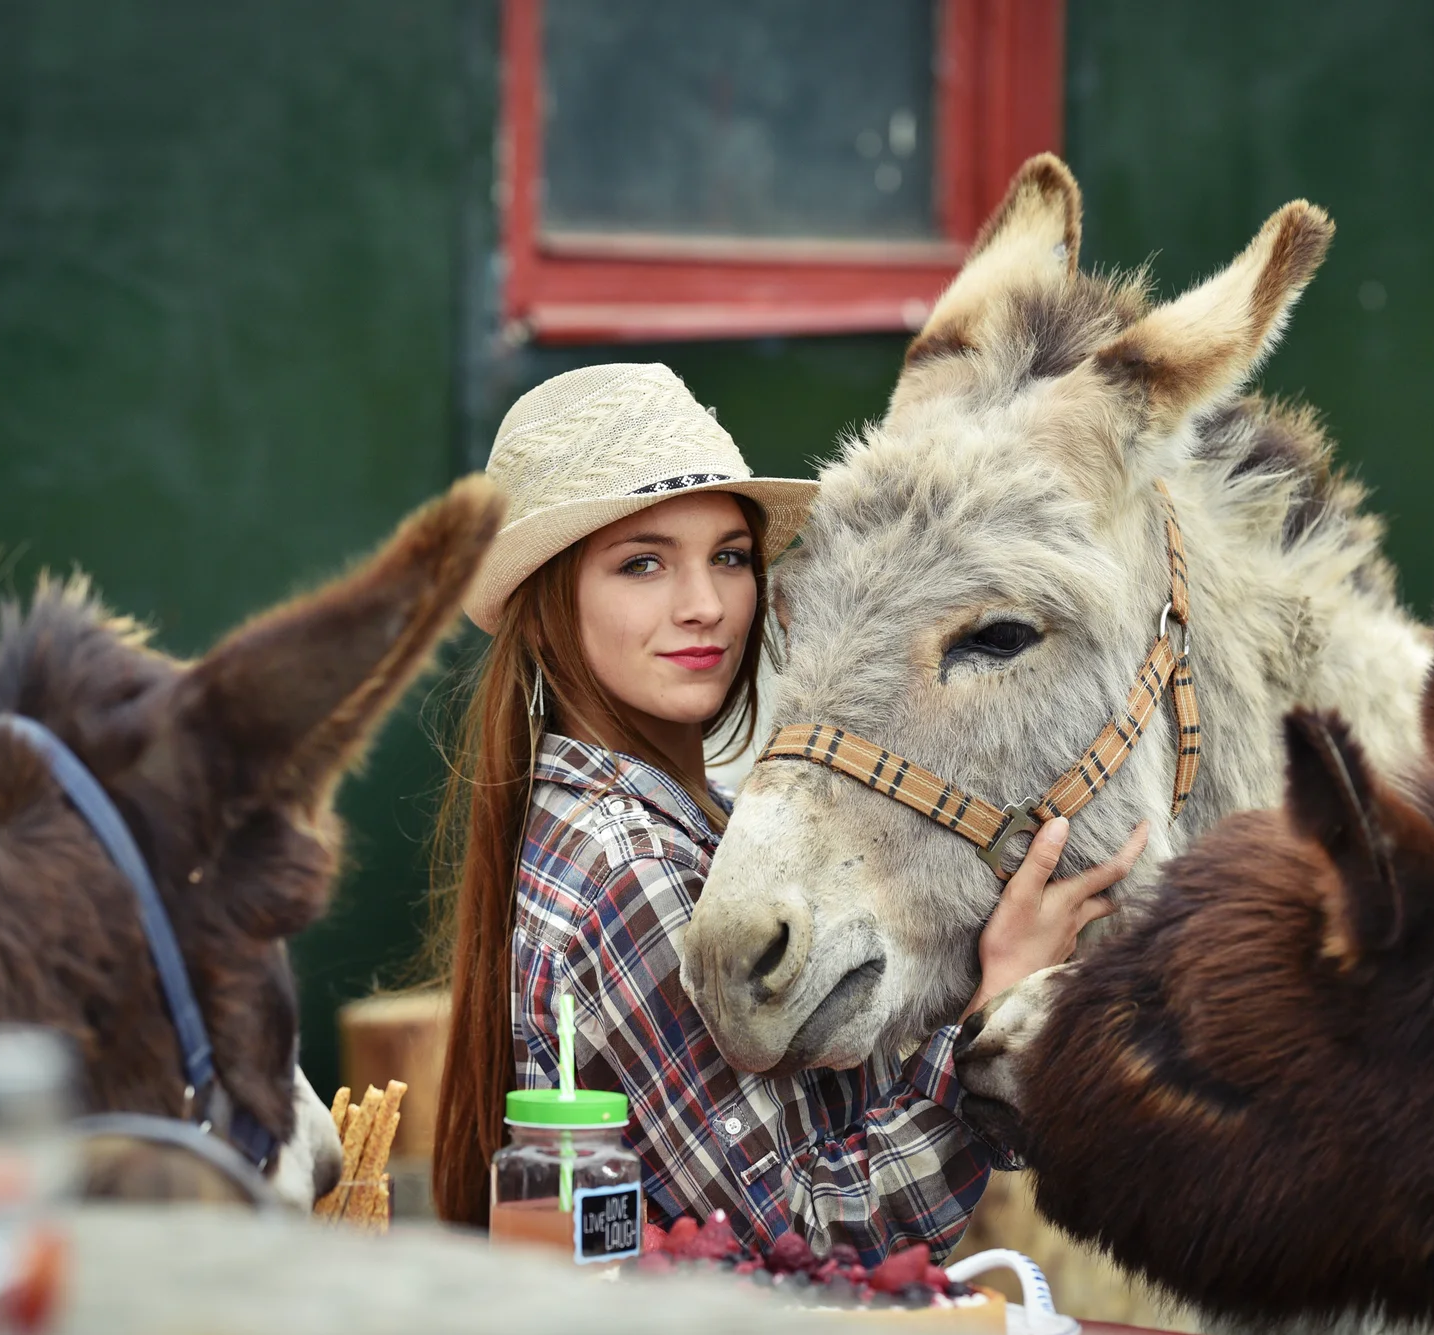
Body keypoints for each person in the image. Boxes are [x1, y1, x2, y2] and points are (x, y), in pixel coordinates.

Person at [429, 363, 1145, 1260]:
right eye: (642, 563)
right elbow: (798, 1240)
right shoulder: (627, 867)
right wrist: (993, 1016)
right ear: (546, 606)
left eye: (729, 557)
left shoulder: (687, 821)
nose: (705, 606)